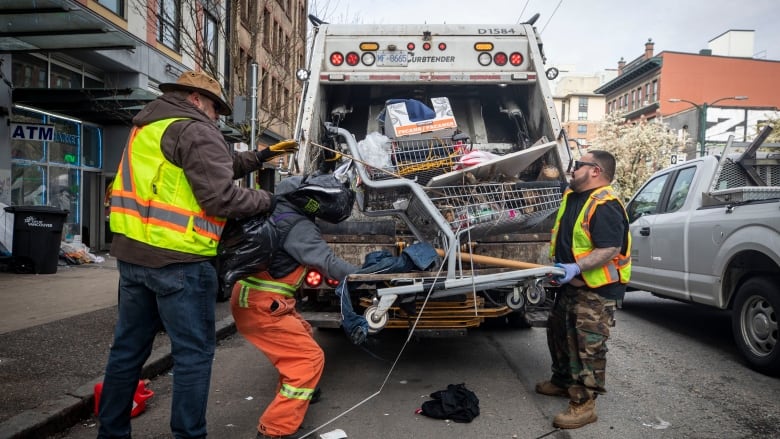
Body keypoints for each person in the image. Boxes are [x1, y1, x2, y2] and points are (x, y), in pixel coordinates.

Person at [98, 70, 297, 439]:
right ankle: (189, 435)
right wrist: (272, 200)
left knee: (127, 352)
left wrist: (262, 156)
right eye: (214, 107)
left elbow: (211, 166)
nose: (217, 115)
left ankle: (111, 433)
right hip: (179, 262)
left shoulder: (149, 125)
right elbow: (221, 196)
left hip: (133, 258)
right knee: (193, 356)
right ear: (194, 98)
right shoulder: (196, 128)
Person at [229, 174, 359, 439]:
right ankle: (275, 429)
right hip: (261, 304)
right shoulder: (297, 224)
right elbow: (327, 262)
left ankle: (300, 395)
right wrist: (363, 274)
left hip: (257, 299)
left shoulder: (277, 210)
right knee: (308, 360)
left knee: (302, 333)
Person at [536, 150, 631, 429]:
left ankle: (584, 404)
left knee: (586, 345)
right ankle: (563, 381)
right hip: (570, 285)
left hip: (597, 288)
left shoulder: (606, 205)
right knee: (558, 332)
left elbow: (610, 248)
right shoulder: (573, 196)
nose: (572, 169)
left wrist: (576, 268)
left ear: (595, 171)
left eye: (578, 165)